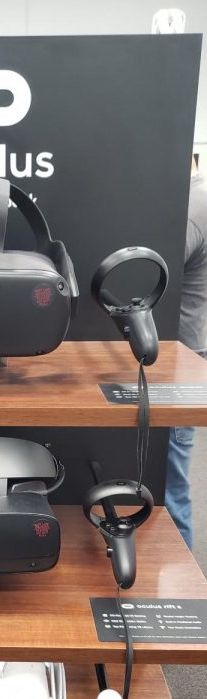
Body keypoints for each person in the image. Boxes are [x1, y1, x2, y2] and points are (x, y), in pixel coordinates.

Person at [165, 157, 207, 549]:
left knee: (171, 485)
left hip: (178, 361)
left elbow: (156, 267)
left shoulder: (193, 205)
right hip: (179, 354)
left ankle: (186, 594)